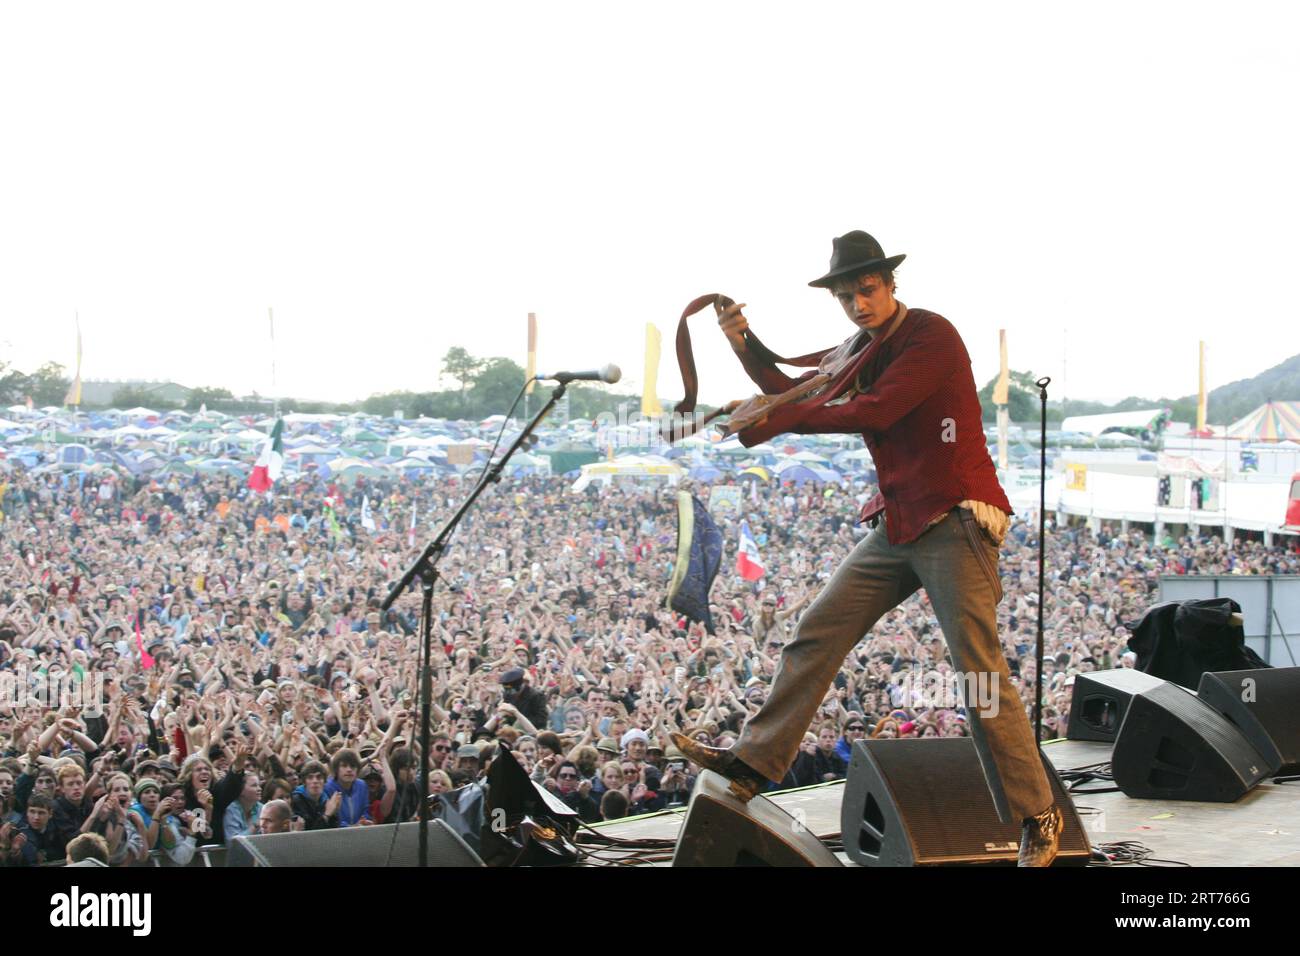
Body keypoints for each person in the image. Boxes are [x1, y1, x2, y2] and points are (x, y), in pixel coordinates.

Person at [671, 230, 1062, 866]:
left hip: (955, 517)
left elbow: (875, 410)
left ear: (890, 285)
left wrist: (769, 414)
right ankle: (752, 764)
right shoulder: (860, 345)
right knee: (818, 629)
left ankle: (1036, 815)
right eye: (847, 295)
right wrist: (741, 342)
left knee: (980, 673)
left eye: (867, 290)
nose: (857, 304)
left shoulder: (931, 335)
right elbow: (800, 391)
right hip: (901, 520)